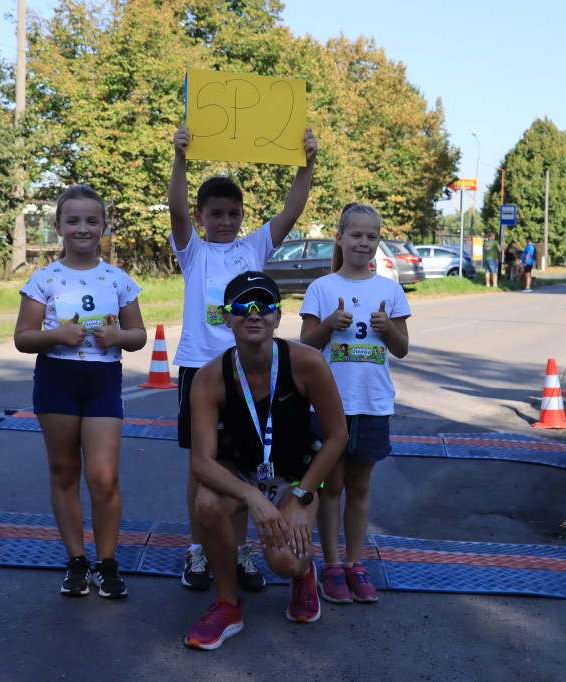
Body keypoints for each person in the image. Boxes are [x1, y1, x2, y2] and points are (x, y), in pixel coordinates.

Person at [168, 122, 318, 593]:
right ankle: (197, 550)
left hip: (250, 371)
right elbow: (174, 208)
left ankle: (240, 552)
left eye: (234, 213)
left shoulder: (252, 247)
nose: (226, 222)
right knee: (203, 462)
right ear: (202, 215)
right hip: (200, 369)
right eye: (216, 214)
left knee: (246, 465)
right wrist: (180, 159)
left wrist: (307, 164)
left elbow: (293, 210)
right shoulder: (192, 251)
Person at [184, 272, 347, 650]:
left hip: (295, 478)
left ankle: (304, 575)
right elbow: (201, 462)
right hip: (241, 472)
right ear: (227, 317)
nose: (253, 314)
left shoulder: (307, 363)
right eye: (242, 306)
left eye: (265, 307)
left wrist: (302, 493)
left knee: (285, 563)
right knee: (206, 503)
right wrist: (252, 498)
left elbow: (338, 436)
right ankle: (227, 603)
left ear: (278, 316)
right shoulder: (209, 378)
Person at [14, 185, 148, 599]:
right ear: (58, 227)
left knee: (104, 479)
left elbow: (140, 335)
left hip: (102, 382)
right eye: (73, 221)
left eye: (92, 221)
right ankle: (77, 562)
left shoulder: (118, 279)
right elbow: (23, 338)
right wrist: (58, 334)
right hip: (57, 381)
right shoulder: (44, 278)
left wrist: (119, 335)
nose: (83, 228)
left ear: (105, 227)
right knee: (65, 472)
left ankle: (107, 563)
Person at [298, 203, 410, 606]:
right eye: (357, 235)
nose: (364, 243)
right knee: (332, 486)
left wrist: (386, 329)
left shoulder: (390, 290)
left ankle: (355, 564)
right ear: (340, 238)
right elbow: (304, 346)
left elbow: (401, 349)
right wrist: (329, 325)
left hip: (373, 404)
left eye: (372, 236)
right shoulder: (322, 288)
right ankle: (331, 566)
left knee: (360, 486)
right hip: (330, 406)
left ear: (378, 242)